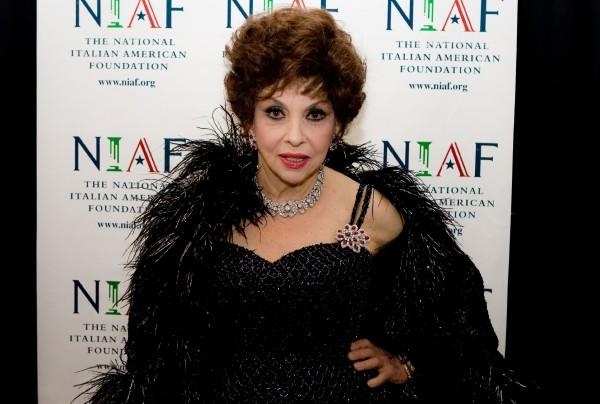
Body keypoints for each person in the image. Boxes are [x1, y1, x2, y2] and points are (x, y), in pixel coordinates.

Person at [80, 6, 535, 404]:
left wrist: (408, 365)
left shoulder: (374, 211)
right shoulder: (198, 216)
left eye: (315, 114)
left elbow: (460, 321)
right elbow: (155, 349)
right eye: (275, 112)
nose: (295, 136)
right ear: (248, 120)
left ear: (338, 123)